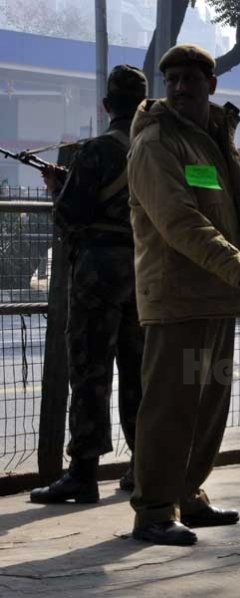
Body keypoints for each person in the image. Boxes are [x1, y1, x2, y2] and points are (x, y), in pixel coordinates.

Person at [127, 44, 240, 546]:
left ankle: (187, 494)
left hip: (218, 295)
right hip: (177, 297)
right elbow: (179, 221)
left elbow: (220, 211)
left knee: (208, 405)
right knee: (170, 407)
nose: (181, 87)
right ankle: (153, 511)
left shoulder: (213, 138)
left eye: (191, 78)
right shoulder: (157, 143)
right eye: (173, 80)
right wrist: (236, 264)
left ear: (212, 84)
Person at [30, 65, 148, 504]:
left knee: (90, 371)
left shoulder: (95, 151)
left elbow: (71, 215)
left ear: (106, 105)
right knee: (138, 372)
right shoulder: (153, 151)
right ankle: (143, 469)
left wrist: (57, 189)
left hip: (99, 273)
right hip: (143, 269)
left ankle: (83, 473)